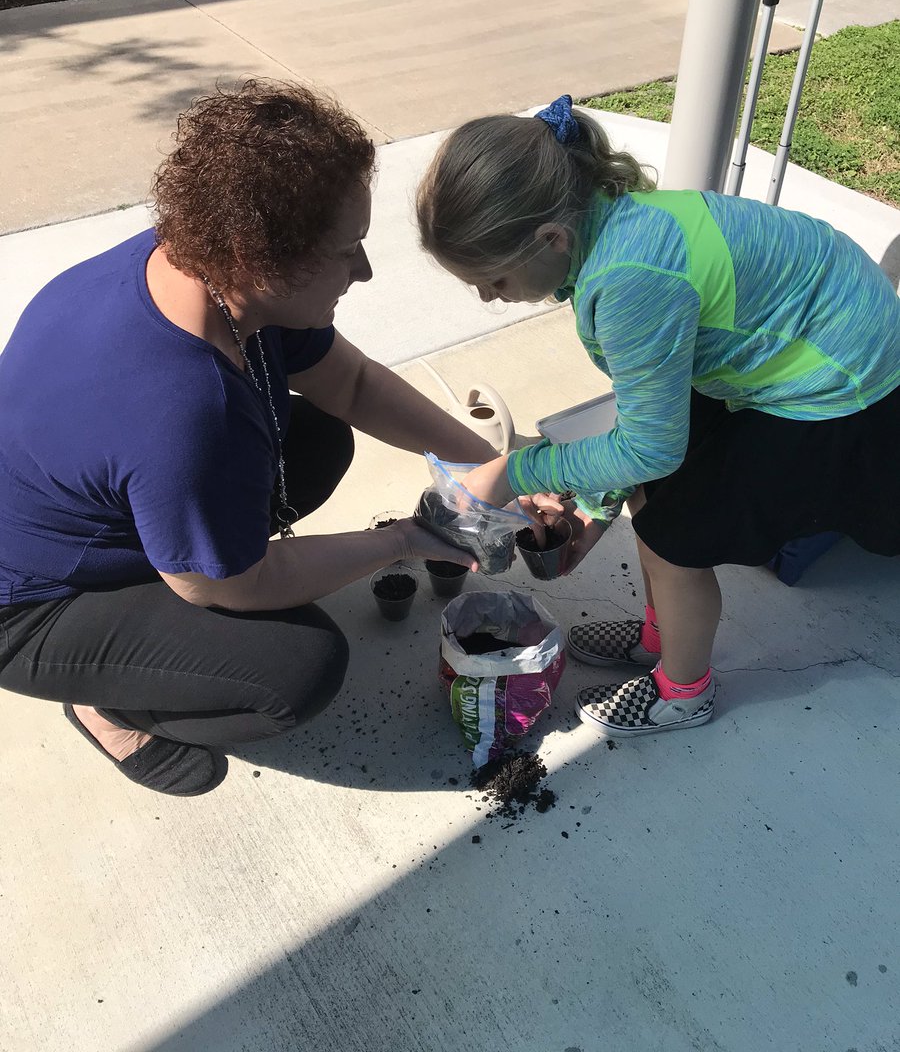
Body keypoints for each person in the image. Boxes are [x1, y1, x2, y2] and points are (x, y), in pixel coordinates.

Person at [0, 79, 556, 798]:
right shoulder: (183, 406)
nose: (364, 270)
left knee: (320, 438)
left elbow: (351, 384)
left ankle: (172, 559)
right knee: (296, 672)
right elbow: (227, 585)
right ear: (255, 255)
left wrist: (496, 466)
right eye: (346, 250)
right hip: (31, 605)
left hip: (114, 501)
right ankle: (110, 701)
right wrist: (404, 540)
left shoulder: (193, 261)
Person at [416, 94, 900, 739]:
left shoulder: (628, 283)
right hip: (792, 341)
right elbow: (648, 423)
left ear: (551, 238)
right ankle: (661, 633)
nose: (488, 297)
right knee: (654, 496)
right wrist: (594, 504)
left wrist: (514, 469)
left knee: (675, 540)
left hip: (840, 382)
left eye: (495, 281)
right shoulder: (615, 223)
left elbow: (652, 446)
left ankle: (683, 692)